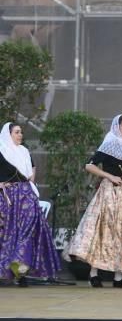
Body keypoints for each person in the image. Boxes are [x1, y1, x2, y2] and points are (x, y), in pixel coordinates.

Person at [68, 114, 122, 288]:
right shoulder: (110, 143)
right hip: (111, 192)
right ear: (117, 126)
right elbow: (89, 165)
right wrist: (109, 176)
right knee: (106, 231)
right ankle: (94, 274)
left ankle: (119, 277)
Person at [0, 122, 60, 285]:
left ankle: (21, 271)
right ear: (8, 134)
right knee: (9, 233)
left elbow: (32, 167)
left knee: (29, 229)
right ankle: (12, 272)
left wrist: (30, 179)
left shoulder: (24, 151)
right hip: (8, 197)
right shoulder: (2, 151)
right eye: (16, 132)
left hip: (26, 195)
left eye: (21, 132)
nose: (20, 135)